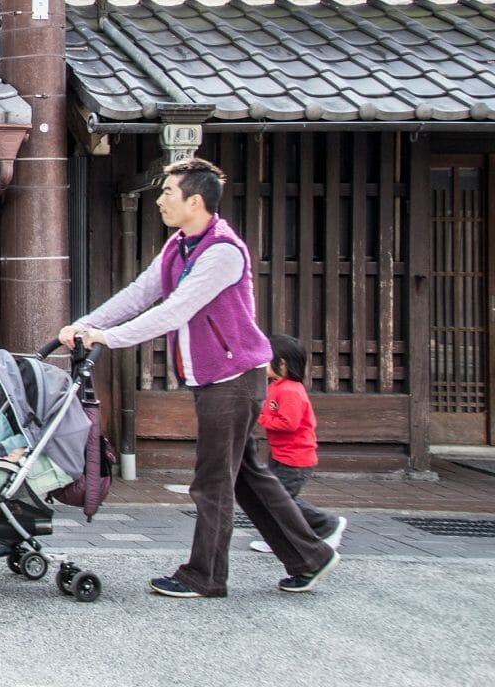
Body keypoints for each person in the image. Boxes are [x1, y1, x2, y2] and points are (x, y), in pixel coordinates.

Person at [59, 157, 339, 598]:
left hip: (233, 378)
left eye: (168, 193)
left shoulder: (222, 252)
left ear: (195, 200)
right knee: (246, 476)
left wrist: (106, 338)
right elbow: (139, 294)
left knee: (212, 481)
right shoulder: (178, 246)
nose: (160, 201)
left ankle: (205, 575)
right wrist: (83, 324)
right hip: (216, 380)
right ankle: (310, 556)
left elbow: (175, 310)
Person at [252, 333, 347, 554]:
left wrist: (259, 418)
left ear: (282, 363)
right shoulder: (278, 385)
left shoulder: (290, 390)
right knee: (274, 498)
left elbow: (288, 423)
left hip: (295, 459)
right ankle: (278, 539)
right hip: (282, 455)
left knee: (280, 500)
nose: (262, 362)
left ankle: (327, 525)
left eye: (267, 358)